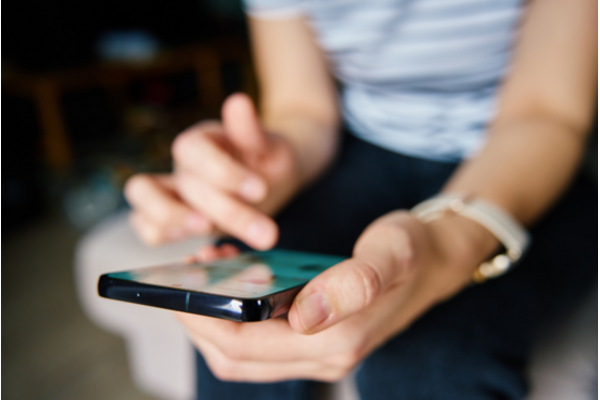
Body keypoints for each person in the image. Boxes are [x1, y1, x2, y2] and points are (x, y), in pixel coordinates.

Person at [123, 0, 597, 398]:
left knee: (432, 362)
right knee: (238, 296)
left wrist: (450, 246)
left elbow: (546, 113)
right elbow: (302, 106)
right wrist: (260, 168)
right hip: (362, 144)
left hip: (533, 153)